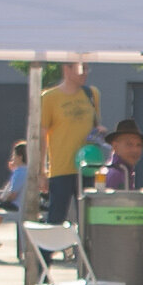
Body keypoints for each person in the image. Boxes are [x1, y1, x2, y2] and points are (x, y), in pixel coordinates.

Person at [30, 60, 100, 224]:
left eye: (87, 69)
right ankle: (47, 249)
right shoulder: (49, 97)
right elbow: (42, 135)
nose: (84, 73)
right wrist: (42, 171)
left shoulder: (92, 94)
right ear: (66, 69)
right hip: (61, 167)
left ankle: (85, 249)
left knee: (88, 219)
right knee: (56, 216)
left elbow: (95, 126)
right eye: (80, 69)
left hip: (87, 167)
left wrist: (99, 132)